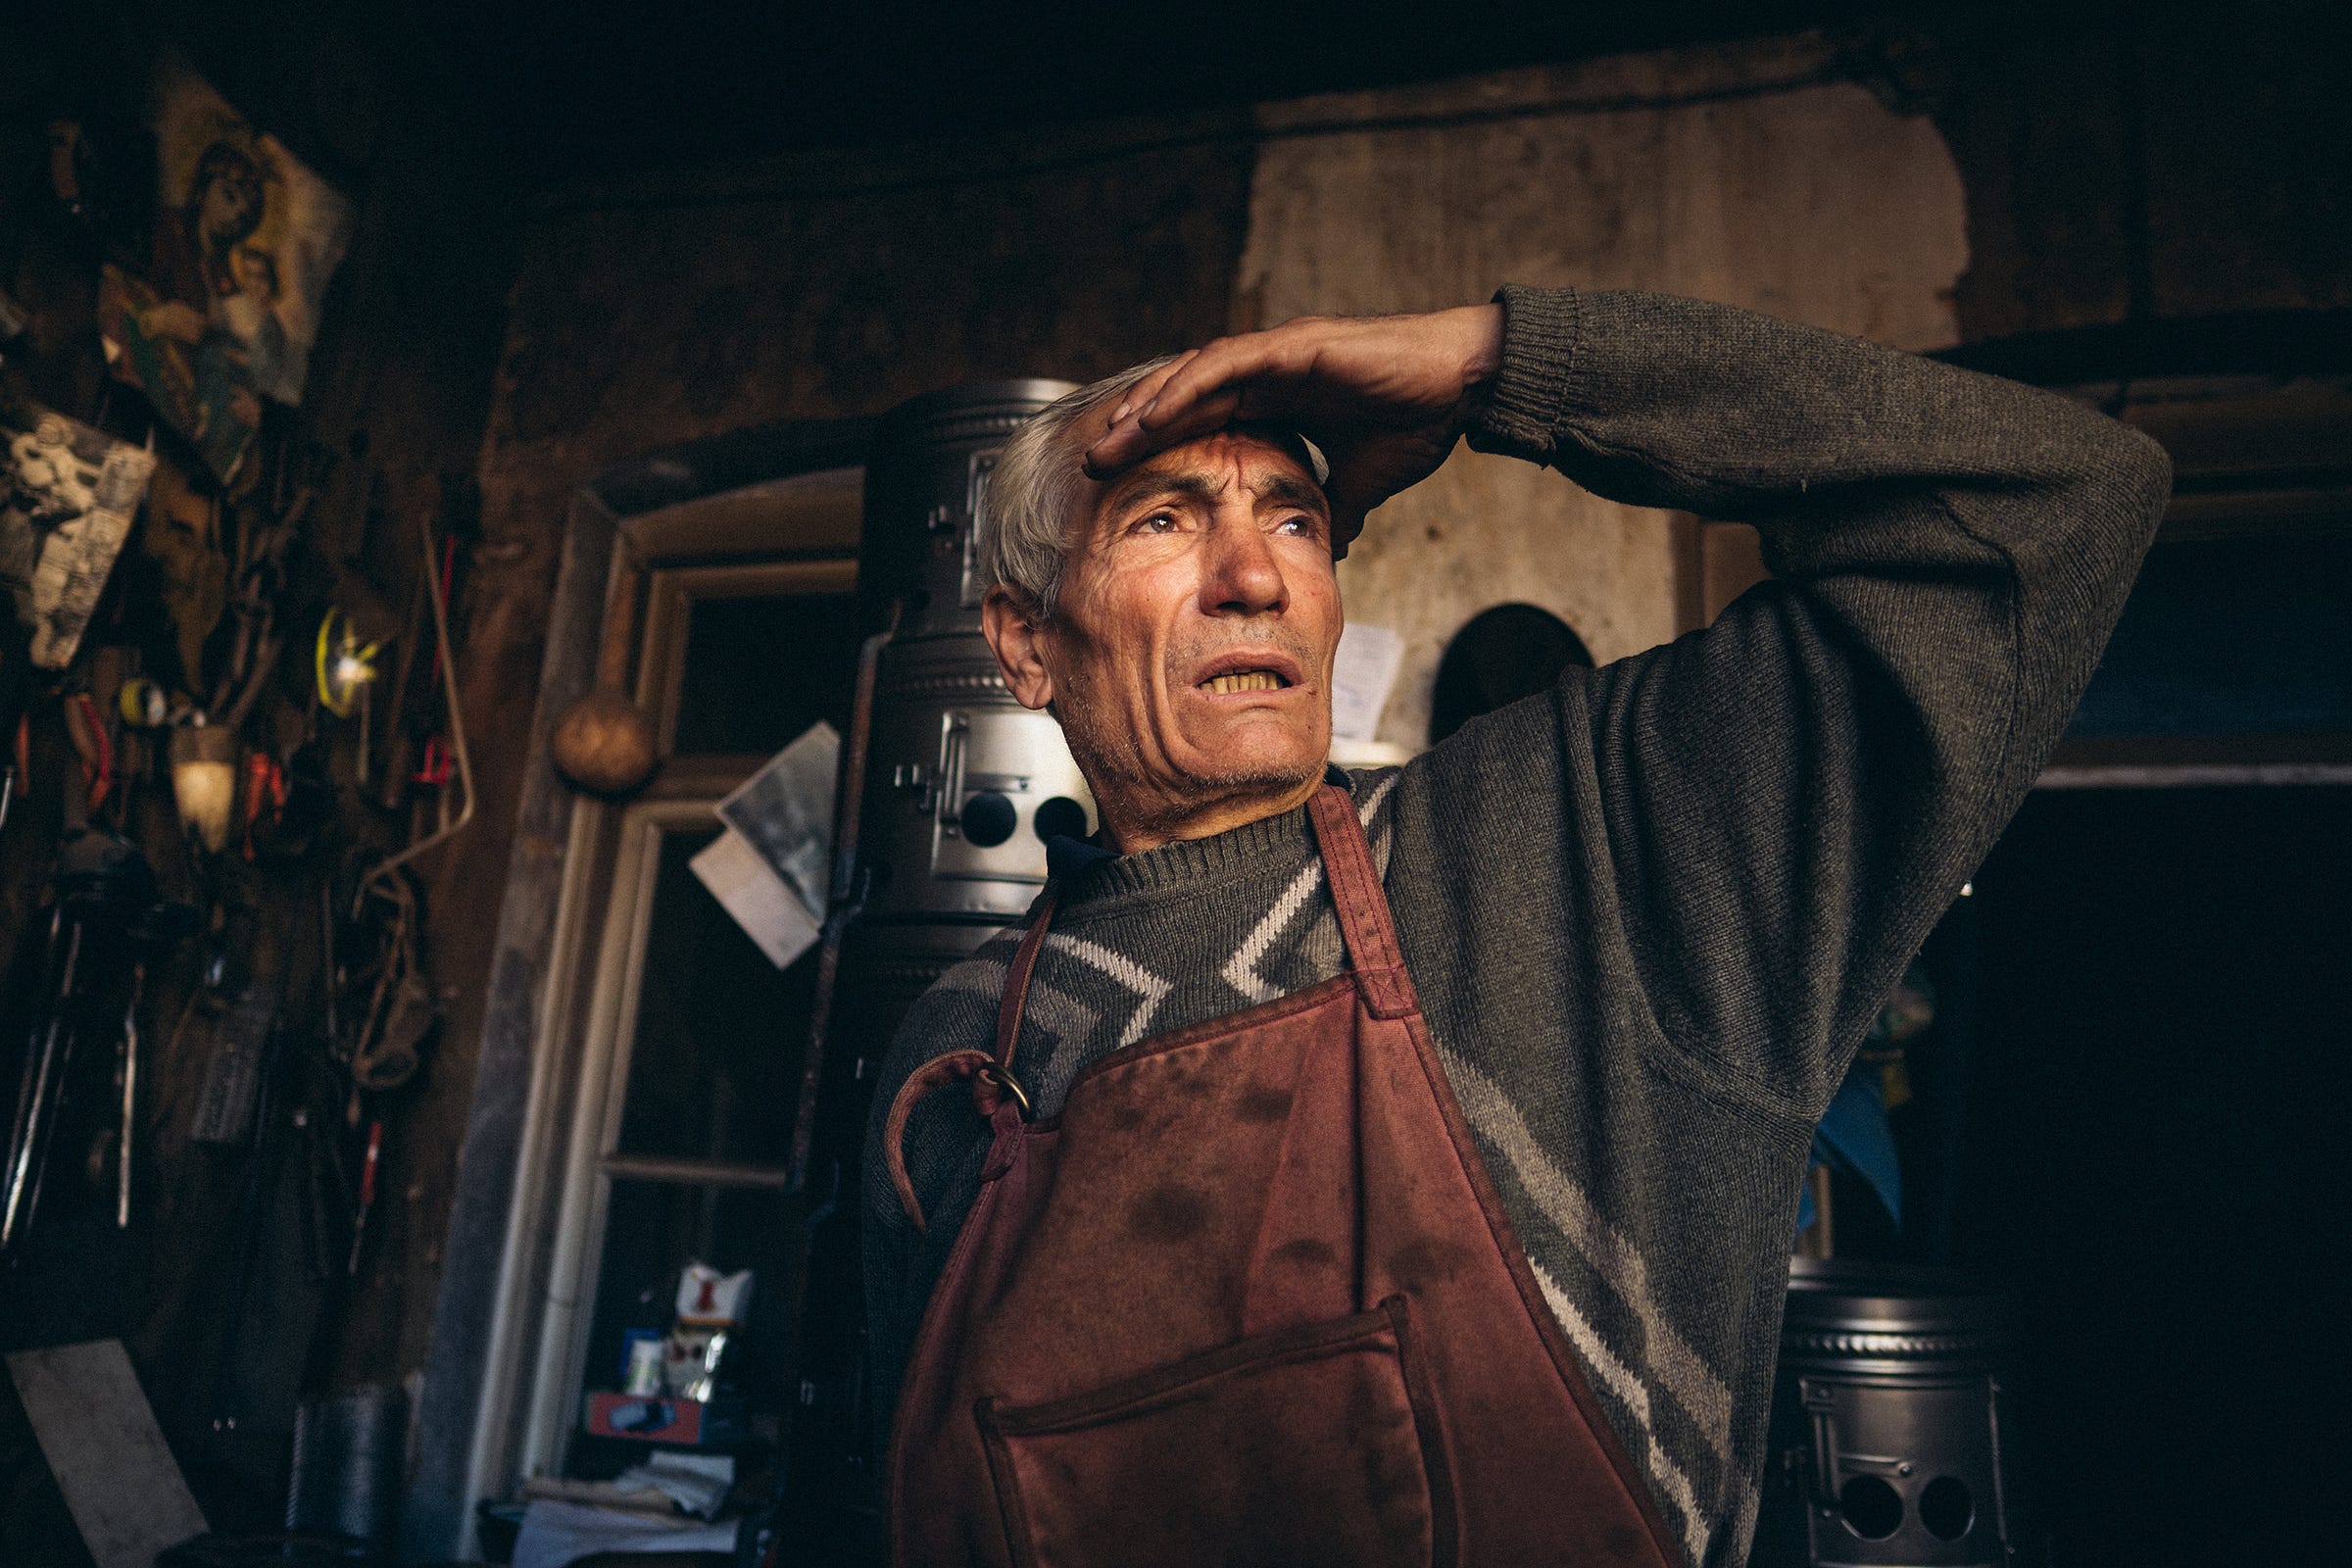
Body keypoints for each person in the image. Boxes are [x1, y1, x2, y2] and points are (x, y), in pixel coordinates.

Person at [863, 286, 2169, 1567]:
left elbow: (2056, 502)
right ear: (1027, 644)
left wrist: (1502, 363)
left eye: (1299, 520)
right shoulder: (959, 1046)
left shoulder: (1595, 838)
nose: (1254, 574)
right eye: (1165, 517)